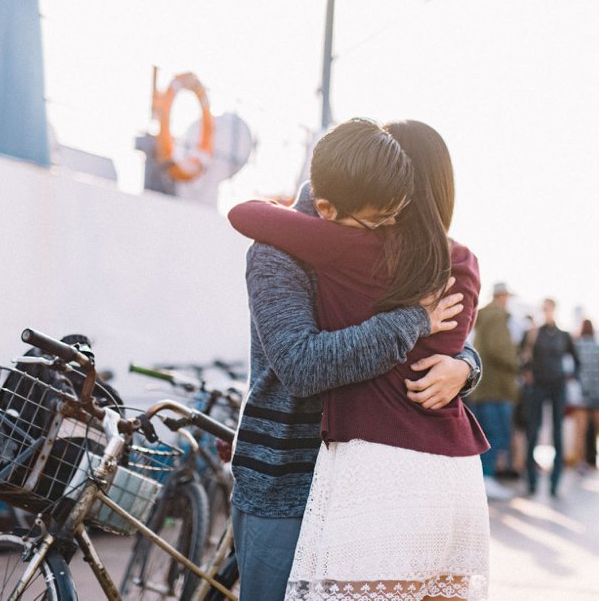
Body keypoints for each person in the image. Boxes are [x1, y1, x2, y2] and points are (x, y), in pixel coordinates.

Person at [229, 118, 489, 599]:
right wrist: (413, 320)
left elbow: (439, 337)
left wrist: (465, 365)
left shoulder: (385, 248)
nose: (395, 224)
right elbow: (301, 365)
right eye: (384, 215)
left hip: (366, 485)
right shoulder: (275, 255)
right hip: (288, 476)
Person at [520, 298, 579, 496]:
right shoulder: (533, 334)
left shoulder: (564, 335)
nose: (547, 312)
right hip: (537, 386)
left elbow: (576, 360)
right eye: (544, 309)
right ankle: (532, 481)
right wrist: (526, 373)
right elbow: (521, 357)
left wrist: (570, 378)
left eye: (550, 309)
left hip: (558, 386)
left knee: (557, 433)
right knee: (533, 431)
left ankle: (555, 481)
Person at [468, 281, 520, 500]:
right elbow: (499, 350)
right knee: (496, 434)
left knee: (487, 434)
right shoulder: (497, 317)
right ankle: (486, 479)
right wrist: (518, 364)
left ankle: (482, 480)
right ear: (502, 297)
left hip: (482, 387)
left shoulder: (483, 317)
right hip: (496, 388)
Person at [571, 319, 599, 474]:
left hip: (581, 392)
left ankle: (580, 462)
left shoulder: (576, 346)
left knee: (581, 430)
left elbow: (572, 368)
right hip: (597, 391)